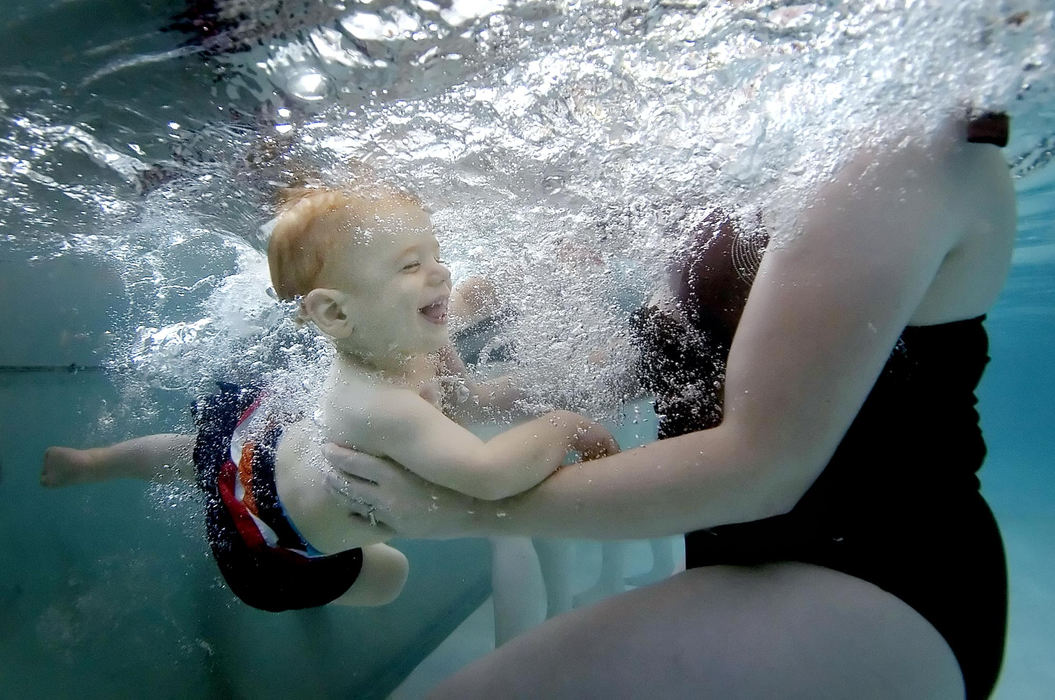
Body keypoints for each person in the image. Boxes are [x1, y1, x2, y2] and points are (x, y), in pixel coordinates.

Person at [321, 114, 1014, 699]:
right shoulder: (736, 156)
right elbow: (653, 364)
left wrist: (460, 511)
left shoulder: (906, 143)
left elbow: (759, 465)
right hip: (738, 563)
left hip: (884, 579)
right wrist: (472, 399)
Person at [42, 181, 619, 622]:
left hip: (256, 449)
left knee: (199, 453)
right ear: (336, 314)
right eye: (412, 265)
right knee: (388, 575)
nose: (440, 272)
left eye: (436, 254)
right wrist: (564, 425)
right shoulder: (377, 405)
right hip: (270, 550)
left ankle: (96, 462)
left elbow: (467, 318)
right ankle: (100, 463)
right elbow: (490, 475)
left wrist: (545, 266)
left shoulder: (400, 335)